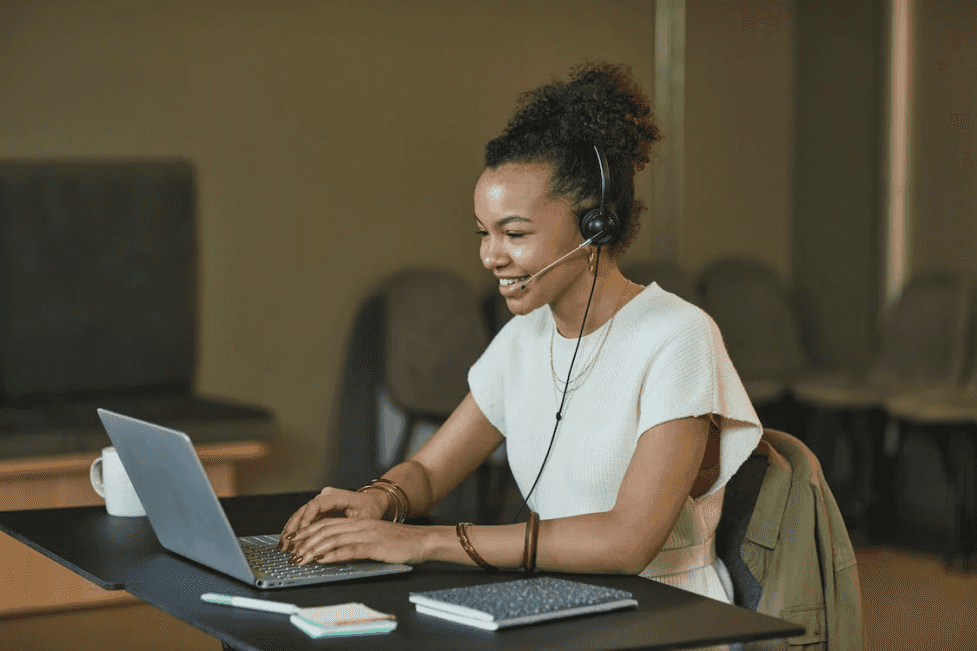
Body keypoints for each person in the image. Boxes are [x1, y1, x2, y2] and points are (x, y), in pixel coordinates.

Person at [279, 62, 762, 604]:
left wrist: (421, 542)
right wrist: (376, 501)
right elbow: (428, 471)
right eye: (484, 233)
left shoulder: (678, 337)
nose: (490, 255)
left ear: (595, 225)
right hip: (556, 600)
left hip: (665, 610)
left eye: (515, 233)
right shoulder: (522, 338)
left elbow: (627, 543)